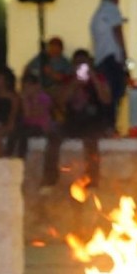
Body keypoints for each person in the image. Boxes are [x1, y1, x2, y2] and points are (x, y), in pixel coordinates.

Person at [43, 49, 111, 192]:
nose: (81, 66)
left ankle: (92, 179)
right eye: (78, 64)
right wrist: (75, 83)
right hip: (73, 122)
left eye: (84, 63)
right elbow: (60, 100)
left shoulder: (99, 79)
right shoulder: (69, 80)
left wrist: (92, 77)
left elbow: (106, 99)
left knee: (91, 140)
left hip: (93, 121)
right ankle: (50, 178)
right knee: (53, 136)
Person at [89, 0, 129, 134]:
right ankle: (111, 126)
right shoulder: (112, 9)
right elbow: (117, 30)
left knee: (105, 93)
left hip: (101, 59)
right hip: (111, 58)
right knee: (115, 92)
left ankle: (106, 125)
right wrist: (124, 54)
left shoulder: (96, 15)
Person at [10, 72, 54, 164]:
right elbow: (26, 114)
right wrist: (25, 99)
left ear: (36, 86)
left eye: (29, 86)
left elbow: (35, 113)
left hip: (40, 127)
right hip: (26, 125)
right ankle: (8, 156)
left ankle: (21, 160)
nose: (27, 89)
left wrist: (33, 99)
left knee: (24, 134)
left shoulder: (44, 98)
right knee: (15, 132)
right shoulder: (24, 98)